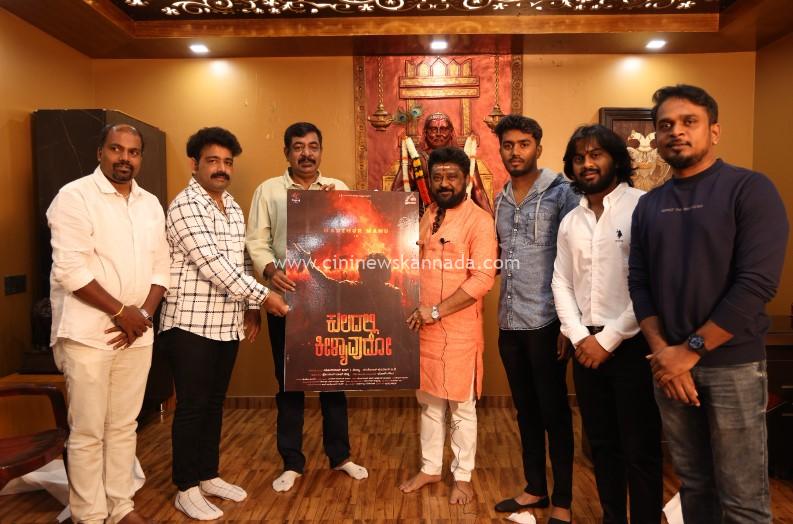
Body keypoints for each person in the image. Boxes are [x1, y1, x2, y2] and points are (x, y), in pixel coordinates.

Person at [629, 84, 788, 523]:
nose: (676, 132)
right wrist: (666, 354)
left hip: (732, 365)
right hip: (670, 368)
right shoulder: (650, 205)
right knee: (695, 486)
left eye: (689, 122)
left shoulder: (749, 189)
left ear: (714, 131)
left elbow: (756, 285)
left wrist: (690, 351)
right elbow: (639, 284)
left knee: (742, 498)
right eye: (665, 125)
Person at [159, 127, 289, 520]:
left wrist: (250, 308)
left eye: (228, 162)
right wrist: (264, 297)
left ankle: (207, 475)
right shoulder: (185, 206)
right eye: (212, 161)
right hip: (189, 324)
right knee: (193, 406)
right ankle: (185, 487)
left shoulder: (230, 205)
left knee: (215, 403)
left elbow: (241, 260)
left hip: (225, 324)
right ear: (194, 163)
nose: (221, 169)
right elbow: (213, 265)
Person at [47, 124, 168, 524]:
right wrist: (121, 313)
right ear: (100, 152)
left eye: (133, 152)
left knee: (123, 426)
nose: (124, 158)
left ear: (140, 158)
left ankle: (120, 506)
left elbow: (161, 267)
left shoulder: (150, 204)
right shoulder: (74, 196)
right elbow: (70, 270)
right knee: (87, 432)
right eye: (116, 149)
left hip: (137, 334)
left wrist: (143, 315)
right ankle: (89, 515)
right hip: (88, 335)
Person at [246, 122, 368, 492]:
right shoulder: (269, 190)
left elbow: (354, 234)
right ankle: (292, 462)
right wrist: (270, 271)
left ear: (321, 151)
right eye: (298, 147)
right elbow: (256, 241)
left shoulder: (337, 187)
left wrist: (338, 205)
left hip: (330, 302)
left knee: (334, 381)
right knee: (289, 384)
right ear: (287, 152)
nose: (306, 154)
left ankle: (340, 456)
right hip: (286, 302)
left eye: (313, 147)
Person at [552, 124, 662, 524]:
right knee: (601, 445)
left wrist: (609, 339)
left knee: (640, 448)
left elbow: (651, 284)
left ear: (616, 159)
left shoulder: (643, 207)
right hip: (586, 348)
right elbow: (561, 281)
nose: (587, 163)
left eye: (596, 154)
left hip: (634, 345)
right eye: (579, 158)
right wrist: (580, 336)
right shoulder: (571, 221)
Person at [491, 115, 578, 523]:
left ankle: (563, 500)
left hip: (547, 322)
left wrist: (568, 324)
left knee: (554, 413)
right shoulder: (500, 198)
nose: (515, 152)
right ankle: (534, 488)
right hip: (509, 323)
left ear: (538, 148)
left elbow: (576, 258)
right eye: (508, 145)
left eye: (523, 144)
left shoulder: (563, 193)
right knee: (525, 411)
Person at [398, 146, 497, 505]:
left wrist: (437, 311)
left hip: (458, 332)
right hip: (423, 329)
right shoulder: (428, 215)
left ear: (466, 179)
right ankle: (429, 468)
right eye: (437, 176)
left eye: (452, 176)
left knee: (461, 408)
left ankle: (462, 476)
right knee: (429, 405)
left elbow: (482, 279)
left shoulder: (479, 221)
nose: (444, 183)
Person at [389, 111, 494, 215]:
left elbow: (478, 192)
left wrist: (492, 221)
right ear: (426, 132)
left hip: (458, 217)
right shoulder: (415, 159)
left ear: (451, 132)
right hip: (424, 216)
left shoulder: (463, 158)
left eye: (443, 129)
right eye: (433, 129)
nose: (438, 134)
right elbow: (398, 193)